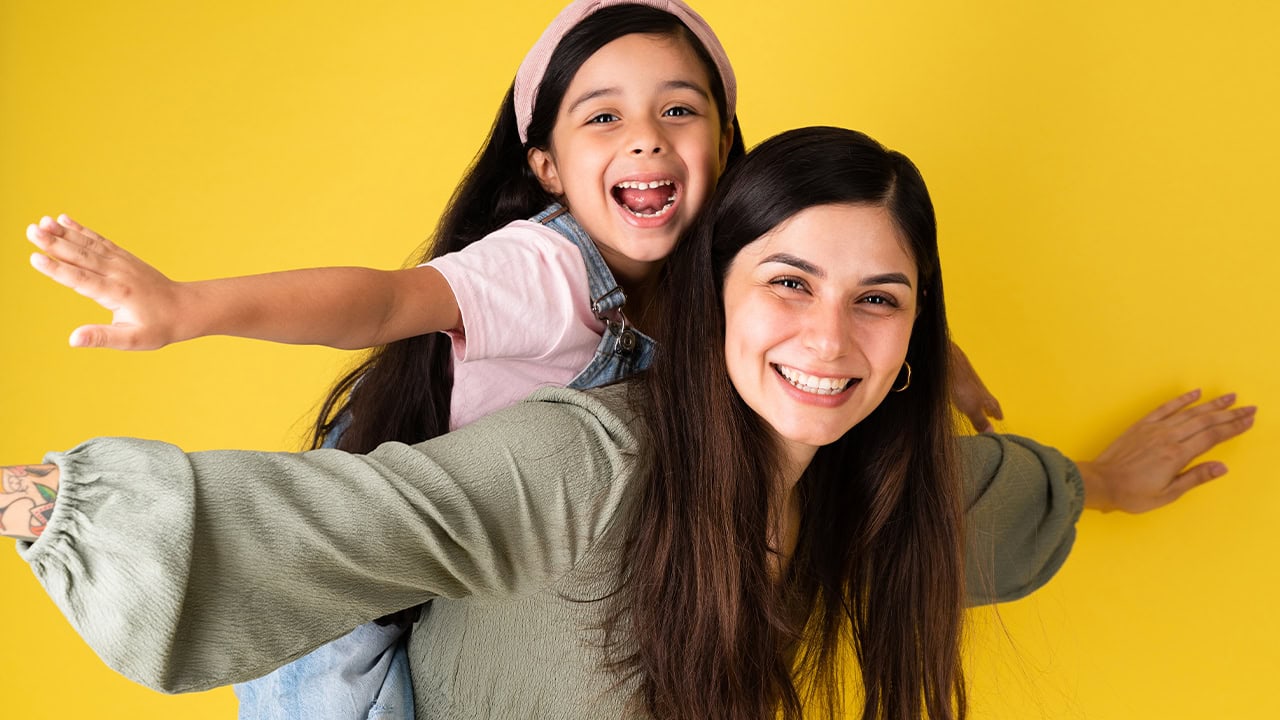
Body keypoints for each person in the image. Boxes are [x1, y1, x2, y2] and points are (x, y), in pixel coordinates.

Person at [3, 126, 1255, 720]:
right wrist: (53, 506)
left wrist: (1097, 479)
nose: (828, 343)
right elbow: (365, 518)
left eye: (877, 302)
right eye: (787, 284)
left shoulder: (875, 477)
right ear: (711, 294)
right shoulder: (591, 458)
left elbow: (975, 498)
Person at [22, 2, 980, 717]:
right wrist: (190, 308)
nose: (646, 135)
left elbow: (847, 304)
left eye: (679, 111)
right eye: (601, 117)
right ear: (546, 166)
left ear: (730, 148)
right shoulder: (545, 271)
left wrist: (942, 368)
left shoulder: (735, 280)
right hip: (372, 574)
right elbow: (385, 301)